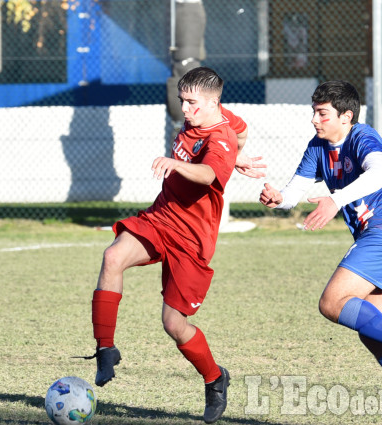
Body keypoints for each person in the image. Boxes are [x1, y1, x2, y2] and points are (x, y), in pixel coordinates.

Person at [259, 80, 382, 425]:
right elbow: (296, 190)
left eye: (322, 113)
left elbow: (379, 173)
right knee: (374, 332)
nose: (315, 120)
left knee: (332, 303)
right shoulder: (318, 147)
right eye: (314, 112)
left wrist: (335, 199)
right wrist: (279, 199)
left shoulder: (364, 137)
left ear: (346, 116)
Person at [86, 67, 262, 424]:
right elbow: (243, 132)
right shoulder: (226, 120)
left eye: (193, 103)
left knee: (174, 324)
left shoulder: (219, 136)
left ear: (214, 103)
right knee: (113, 256)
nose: (185, 109)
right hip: (161, 217)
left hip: (192, 239)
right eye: (183, 100)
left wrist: (192, 162)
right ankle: (106, 348)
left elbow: (209, 174)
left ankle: (215, 378)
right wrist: (238, 156)